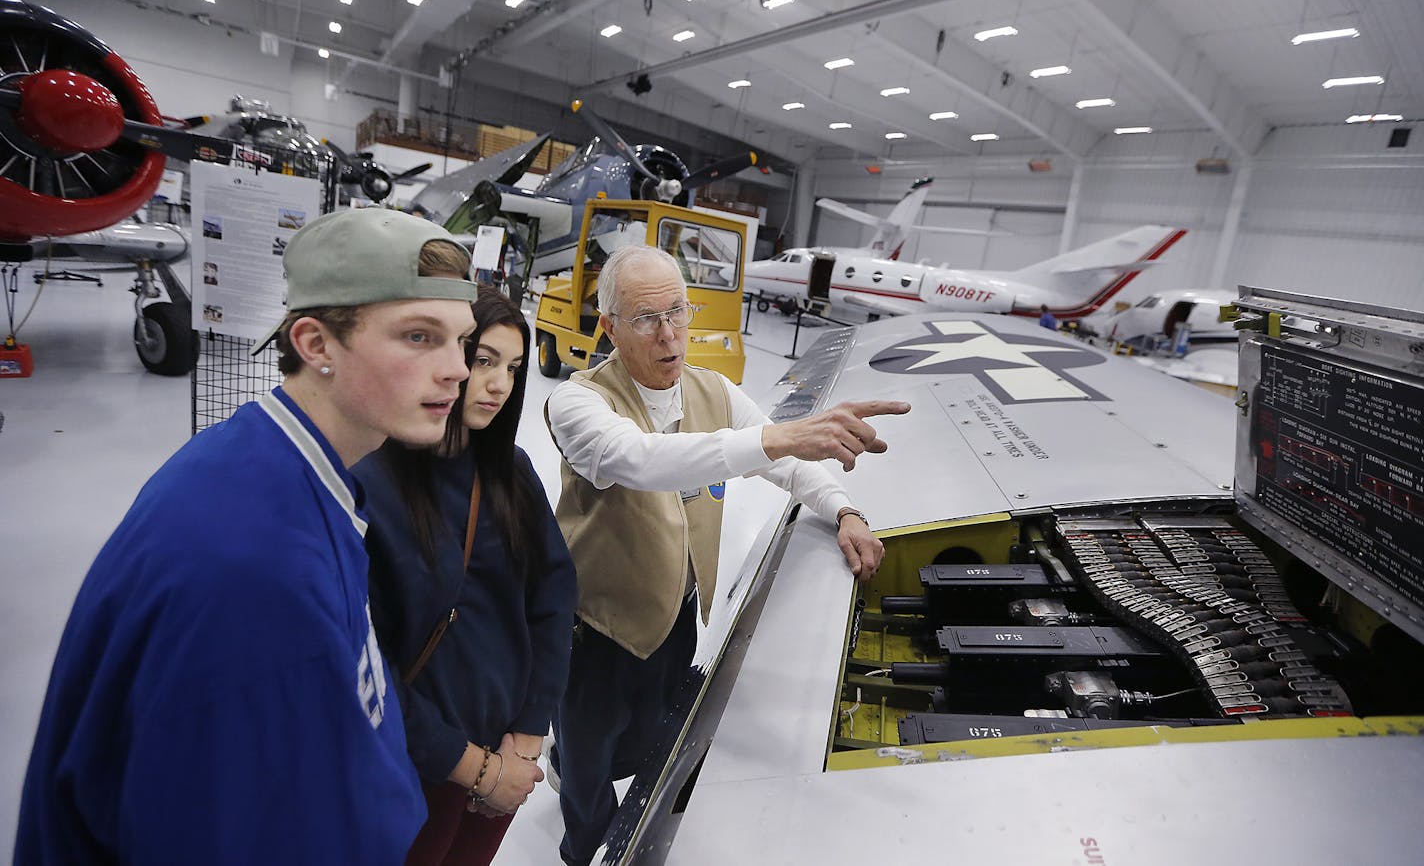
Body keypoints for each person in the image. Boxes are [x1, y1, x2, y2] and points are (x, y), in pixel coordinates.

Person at [16, 211, 479, 864]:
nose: (457, 370)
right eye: (419, 337)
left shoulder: (266, 459)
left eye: (460, 340)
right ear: (315, 345)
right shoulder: (256, 578)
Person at [544, 245, 910, 866]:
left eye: (678, 313)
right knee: (587, 764)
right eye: (644, 319)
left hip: (677, 614)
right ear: (608, 327)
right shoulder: (578, 404)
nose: (669, 335)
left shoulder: (712, 392)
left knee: (651, 742)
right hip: (597, 630)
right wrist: (774, 436)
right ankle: (583, 848)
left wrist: (844, 509)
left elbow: (791, 465)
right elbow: (639, 460)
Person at [356, 287, 577, 866]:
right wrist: (475, 768)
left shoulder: (510, 472)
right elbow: (364, 661)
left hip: (505, 754)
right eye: (484, 361)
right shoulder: (375, 482)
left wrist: (527, 738)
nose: (500, 384)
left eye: (513, 368)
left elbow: (553, 598)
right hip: (417, 761)